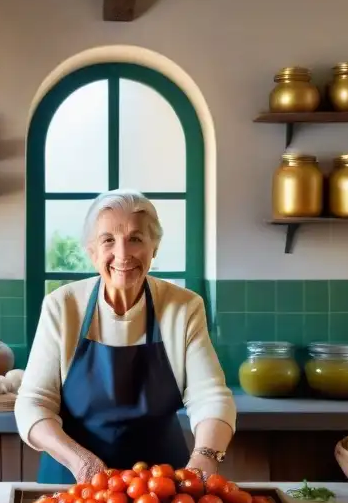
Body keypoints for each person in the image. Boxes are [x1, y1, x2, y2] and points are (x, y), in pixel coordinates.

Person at [14, 189, 236, 484]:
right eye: (108, 240)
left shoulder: (184, 307)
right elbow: (32, 403)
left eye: (136, 238)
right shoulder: (62, 306)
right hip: (72, 484)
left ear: (154, 248)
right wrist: (80, 462)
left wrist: (204, 457)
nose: (123, 254)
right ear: (92, 252)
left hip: (162, 486)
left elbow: (209, 396)